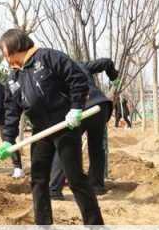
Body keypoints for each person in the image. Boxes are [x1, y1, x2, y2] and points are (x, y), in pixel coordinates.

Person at [0, 29, 106, 230]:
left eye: (3, 50)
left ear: (13, 46)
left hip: (65, 125)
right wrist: (7, 139)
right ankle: (43, 225)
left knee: (75, 178)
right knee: (38, 177)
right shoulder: (13, 76)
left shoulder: (48, 57)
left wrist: (75, 108)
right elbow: (11, 110)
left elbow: (78, 79)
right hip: (40, 130)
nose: (3, 55)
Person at [49, 58, 120, 200]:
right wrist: (114, 77)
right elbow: (106, 62)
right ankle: (97, 186)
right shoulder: (79, 64)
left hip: (81, 107)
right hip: (100, 106)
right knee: (96, 147)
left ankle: (54, 189)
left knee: (65, 146)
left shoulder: (52, 74)